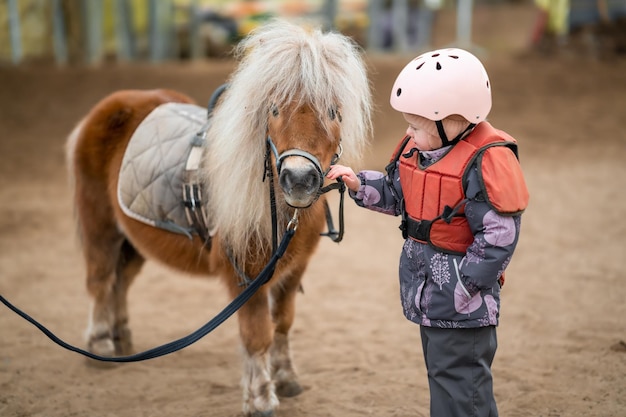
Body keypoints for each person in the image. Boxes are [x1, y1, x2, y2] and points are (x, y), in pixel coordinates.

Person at [327, 48, 529, 417]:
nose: (408, 132)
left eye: (416, 126)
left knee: (462, 386)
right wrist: (357, 183)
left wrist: (463, 287)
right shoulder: (419, 152)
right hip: (432, 297)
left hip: (461, 304)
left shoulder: (485, 161)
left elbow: (499, 235)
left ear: (452, 121)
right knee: (444, 375)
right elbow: (397, 193)